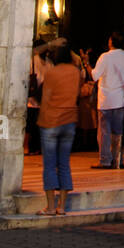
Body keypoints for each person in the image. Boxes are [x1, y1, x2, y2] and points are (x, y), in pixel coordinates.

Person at [36, 39, 81, 215]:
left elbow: (46, 99)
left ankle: (50, 206)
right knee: (64, 163)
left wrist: (50, 44)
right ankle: (62, 206)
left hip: (51, 120)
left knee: (49, 164)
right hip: (69, 120)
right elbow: (77, 93)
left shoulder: (52, 73)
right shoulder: (75, 72)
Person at [91, 31, 124, 170]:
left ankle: (104, 160)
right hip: (120, 99)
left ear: (111, 42)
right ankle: (118, 159)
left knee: (104, 131)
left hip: (106, 100)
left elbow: (95, 75)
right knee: (118, 131)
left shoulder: (105, 57)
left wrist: (88, 66)